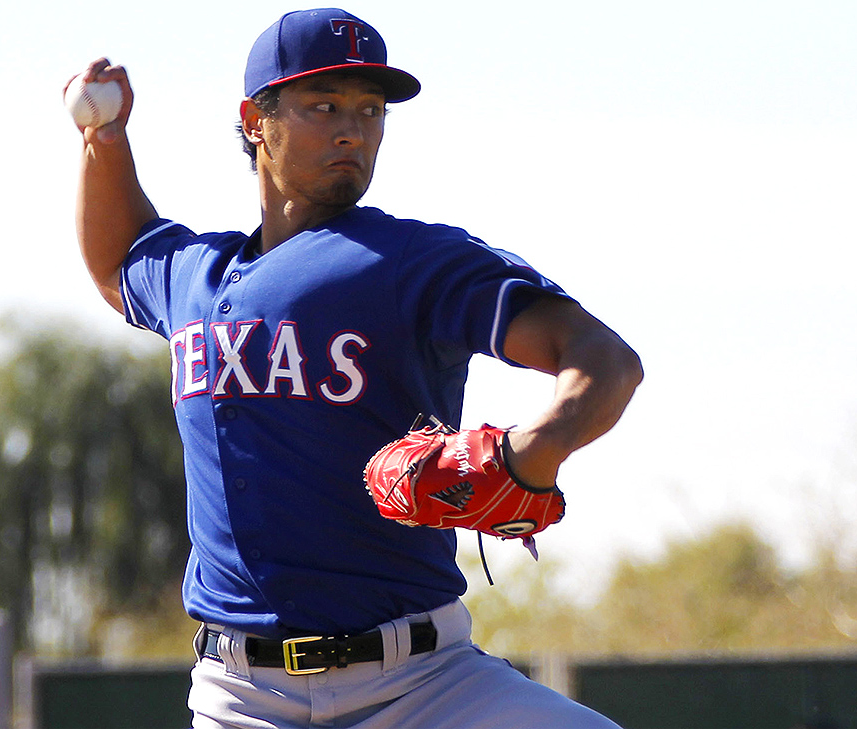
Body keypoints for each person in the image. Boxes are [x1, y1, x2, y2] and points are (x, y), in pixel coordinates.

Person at [73, 8, 643, 728]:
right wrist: (105, 138)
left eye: (370, 109)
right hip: (243, 697)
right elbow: (121, 259)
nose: (354, 129)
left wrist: (533, 449)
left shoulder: (413, 261)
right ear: (255, 121)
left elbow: (605, 359)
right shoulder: (196, 278)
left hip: (428, 686)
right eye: (324, 106)